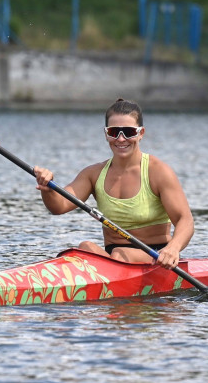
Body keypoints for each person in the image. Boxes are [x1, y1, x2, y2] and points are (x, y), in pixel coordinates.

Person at [33, 99, 193, 270]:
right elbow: (59, 206)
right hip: (113, 258)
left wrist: (173, 248)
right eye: (114, 132)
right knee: (85, 247)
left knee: (121, 253)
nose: (121, 139)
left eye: (129, 132)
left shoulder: (158, 172)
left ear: (141, 133)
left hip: (157, 257)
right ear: (106, 134)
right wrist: (47, 188)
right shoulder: (93, 174)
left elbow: (185, 220)